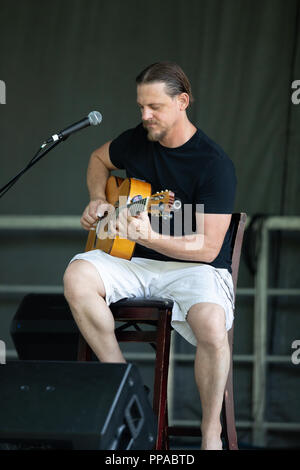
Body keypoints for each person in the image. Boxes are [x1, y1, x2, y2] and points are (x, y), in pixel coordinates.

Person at [63, 62, 237, 450]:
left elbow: (207, 247)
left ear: (182, 102)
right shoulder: (137, 140)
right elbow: (97, 159)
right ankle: (127, 392)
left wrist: (153, 236)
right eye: (141, 106)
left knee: (211, 323)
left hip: (196, 267)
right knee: (77, 276)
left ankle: (211, 433)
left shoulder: (213, 165)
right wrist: (96, 197)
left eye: (154, 107)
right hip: (135, 262)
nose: (145, 116)